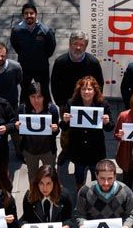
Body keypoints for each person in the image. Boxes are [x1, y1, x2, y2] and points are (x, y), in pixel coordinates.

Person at [50, 31, 104, 164]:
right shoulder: (60, 62)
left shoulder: (93, 62)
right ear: (70, 44)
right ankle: (65, 151)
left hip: (87, 104)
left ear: (86, 46)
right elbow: (55, 84)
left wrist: (93, 102)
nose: (78, 47)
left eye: (81, 44)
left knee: (85, 131)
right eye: (75, 44)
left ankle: (82, 151)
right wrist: (61, 104)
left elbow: (99, 84)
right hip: (67, 105)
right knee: (66, 131)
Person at [58, 76, 114, 190]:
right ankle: (80, 188)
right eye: (83, 89)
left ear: (95, 91)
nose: (86, 92)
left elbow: (110, 127)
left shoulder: (103, 104)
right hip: (78, 148)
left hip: (96, 148)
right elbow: (63, 127)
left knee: (96, 173)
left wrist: (107, 122)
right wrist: (64, 121)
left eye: (89, 89)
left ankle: (95, 191)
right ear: (79, 91)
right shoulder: (71, 103)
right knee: (79, 172)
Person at [15, 80, 60, 184]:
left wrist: (55, 129)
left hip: (48, 150)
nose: (36, 100)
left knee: (50, 175)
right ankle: (34, 196)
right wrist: (16, 127)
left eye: (39, 96)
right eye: (33, 97)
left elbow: (56, 131)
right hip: (30, 151)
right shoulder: (22, 109)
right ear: (28, 97)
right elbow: (17, 128)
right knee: (32, 176)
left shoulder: (51, 109)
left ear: (44, 97)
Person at [10, 2, 56, 94]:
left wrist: (42, 57)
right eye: (26, 13)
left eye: (31, 13)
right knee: (25, 91)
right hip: (24, 67)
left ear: (36, 14)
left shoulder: (45, 30)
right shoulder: (16, 31)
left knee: (44, 91)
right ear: (23, 16)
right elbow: (15, 45)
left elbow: (51, 47)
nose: (29, 15)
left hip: (41, 67)